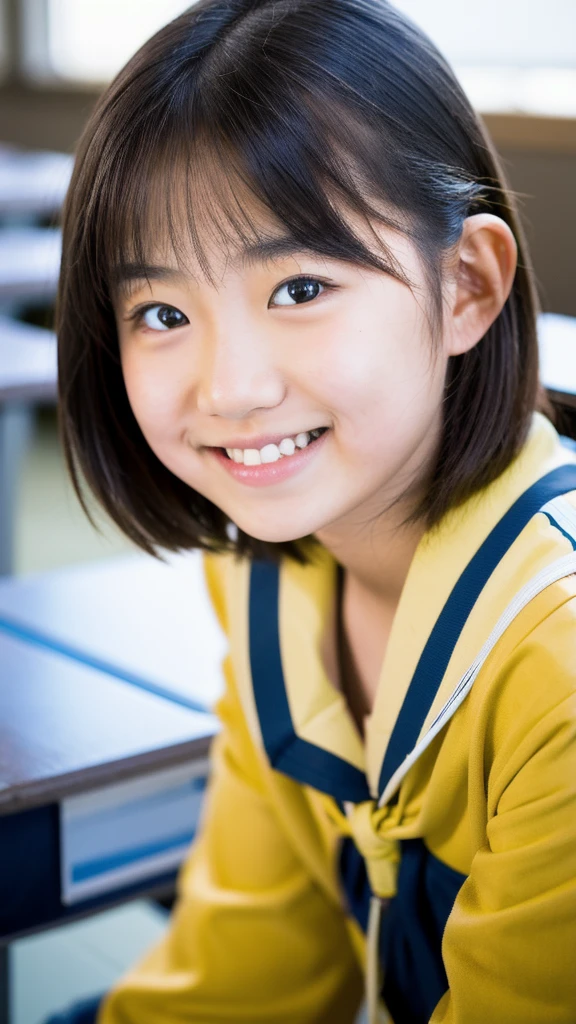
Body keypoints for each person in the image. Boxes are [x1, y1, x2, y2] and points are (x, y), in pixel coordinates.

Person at [52, 1, 576, 1021]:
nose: (231, 387)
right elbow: (247, 972)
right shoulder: (267, 582)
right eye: (162, 313)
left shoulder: (557, 671)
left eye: (298, 287)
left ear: (466, 285)